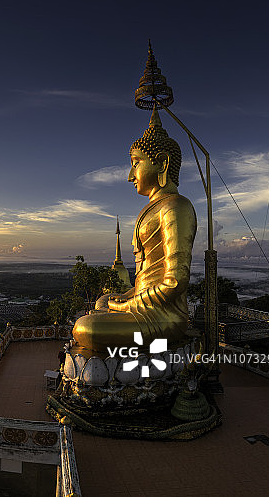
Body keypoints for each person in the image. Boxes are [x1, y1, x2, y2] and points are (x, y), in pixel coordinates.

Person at [71, 108, 196, 356]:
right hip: (143, 304)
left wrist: (130, 304)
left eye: (136, 163)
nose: (131, 176)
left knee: (86, 327)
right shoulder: (153, 208)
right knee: (102, 302)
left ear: (162, 162)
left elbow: (175, 280)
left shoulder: (176, 206)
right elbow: (144, 279)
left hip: (164, 316)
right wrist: (125, 298)